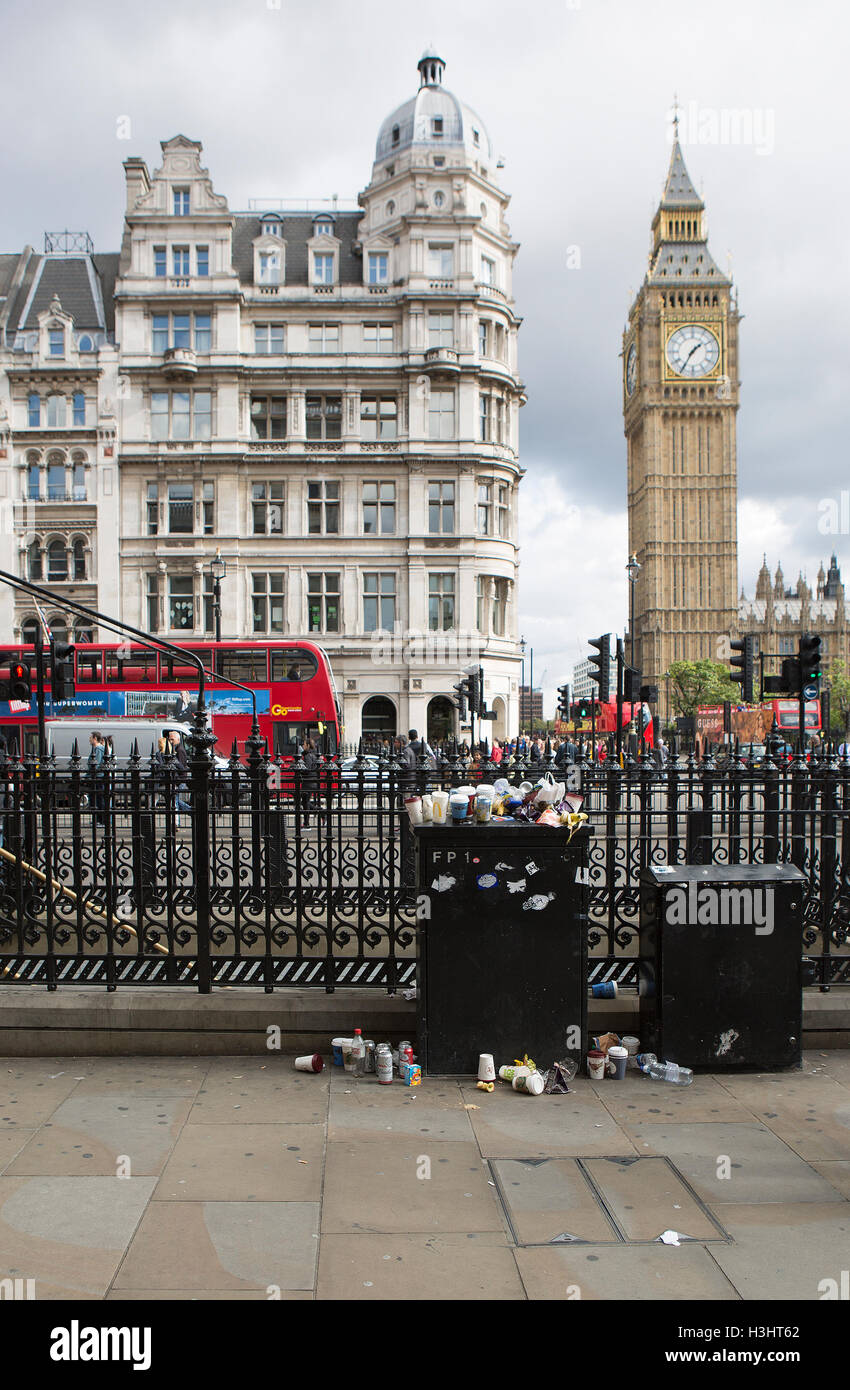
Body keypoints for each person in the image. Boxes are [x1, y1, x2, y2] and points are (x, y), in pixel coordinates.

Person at [167, 730, 192, 816]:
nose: (170, 741)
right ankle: (191, 811)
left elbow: (181, 766)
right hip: (179, 779)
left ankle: (189, 812)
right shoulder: (175, 749)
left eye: (172, 739)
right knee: (175, 799)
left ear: (178, 739)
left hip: (180, 779)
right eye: (169, 739)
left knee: (175, 800)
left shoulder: (179, 750)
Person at [88, 732, 105, 824]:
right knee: (96, 799)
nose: (89, 739)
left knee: (98, 799)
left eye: (91, 737)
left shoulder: (98, 749)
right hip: (97, 776)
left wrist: (89, 774)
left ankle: (100, 820)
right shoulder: (97, 748)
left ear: (95, 738)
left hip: (98, 777)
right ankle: (98, 819)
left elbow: (96, 764)